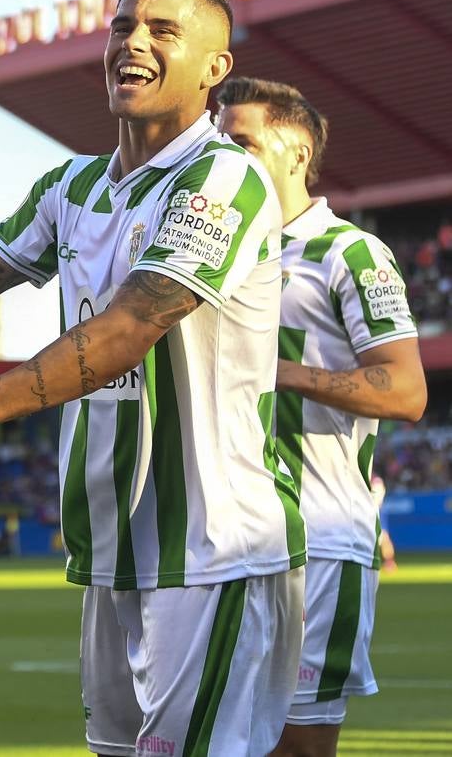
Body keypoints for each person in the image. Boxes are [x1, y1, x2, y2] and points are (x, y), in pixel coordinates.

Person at [0, 0, 306, 756]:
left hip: (210, 543)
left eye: (162, 30)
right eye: (122, 25)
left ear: (215, 69)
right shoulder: (71, 185)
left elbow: (131, 326)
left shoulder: (226, 179)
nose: (131, 42)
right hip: (111, 543)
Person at [215, 77, 425, 757]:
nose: (222, 155)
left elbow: (406, 391)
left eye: (239, 141)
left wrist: (275, 371)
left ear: (296, 152)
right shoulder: (215, 257)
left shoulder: (349, 254)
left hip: (320, 541)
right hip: (223, 542)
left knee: (297, 748)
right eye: (217, 141)